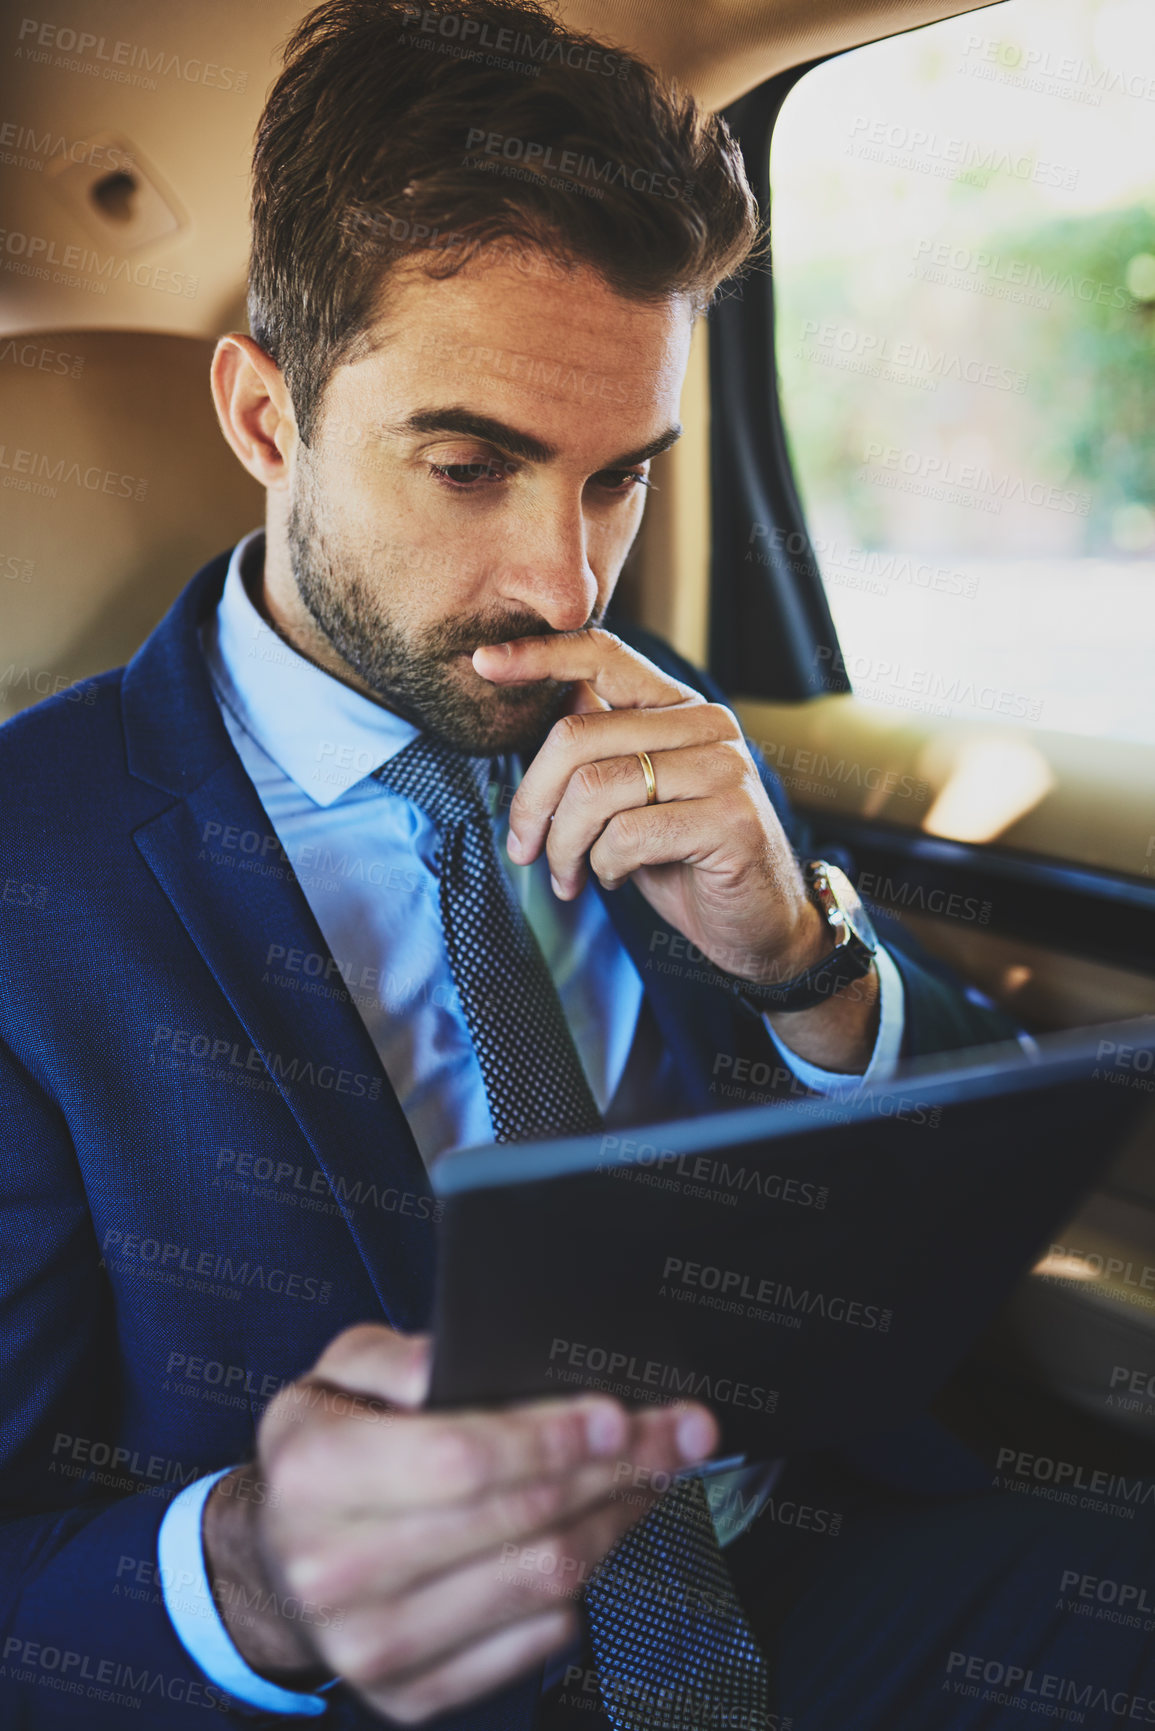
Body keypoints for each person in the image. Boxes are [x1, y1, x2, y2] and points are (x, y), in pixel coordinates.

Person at [0, 2, 1018, 1726]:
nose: (565, 587)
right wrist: (253, 1578)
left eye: (621, 478)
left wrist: (804, 960)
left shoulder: (654, 715)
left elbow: (961, 1203)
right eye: (471, 465)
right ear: (265, 417)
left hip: (839, 1557)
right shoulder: (39, 879)